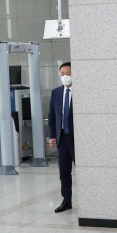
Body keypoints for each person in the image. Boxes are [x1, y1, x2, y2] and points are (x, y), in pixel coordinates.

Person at [47, 62, 74, 213]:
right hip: (62, 138)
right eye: (62, 74)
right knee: (64, 171)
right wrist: (52, 135)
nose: (65, 76)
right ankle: (66, 200)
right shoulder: (56, 92)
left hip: (77, 138)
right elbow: (52, 116)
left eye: (68, 73)